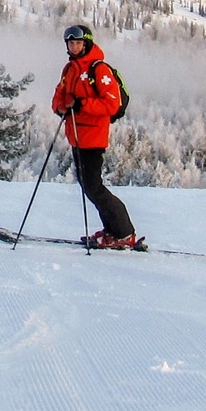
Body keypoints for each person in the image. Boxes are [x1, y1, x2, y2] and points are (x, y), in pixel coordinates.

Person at [51, 24, 139, 249]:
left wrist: (80, 104)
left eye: (78, 43)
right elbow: (58, 98)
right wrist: (63, 107)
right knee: (90, 185)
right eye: (71, 43)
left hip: (93, 136)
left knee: (93, 186)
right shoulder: (69, 69)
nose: (74, 46)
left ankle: (123, 232)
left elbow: (112, 103)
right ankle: (113, 231)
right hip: (77, 136)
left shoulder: (98, 69)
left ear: (87, 43)